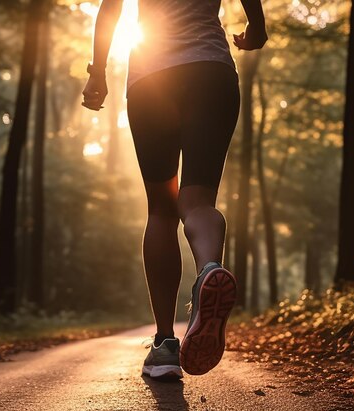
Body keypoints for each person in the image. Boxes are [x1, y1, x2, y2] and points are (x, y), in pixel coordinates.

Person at [82, 0, 267, 379]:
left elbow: (110, 10)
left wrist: (97, 72)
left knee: (161, 211)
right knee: (198, 201)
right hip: (211, 73)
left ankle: (165, 345)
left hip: (152, 80)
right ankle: (209, 271)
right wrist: (257, 23)